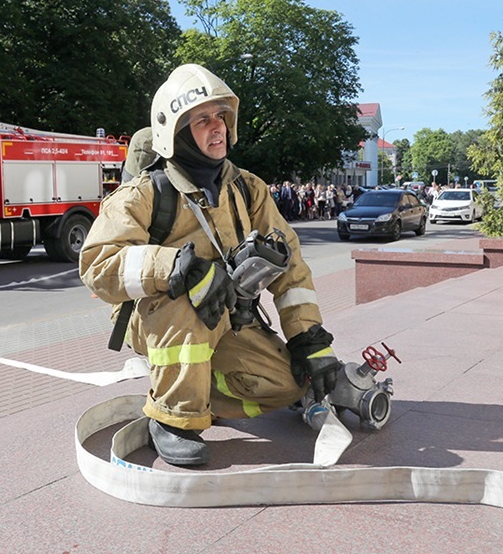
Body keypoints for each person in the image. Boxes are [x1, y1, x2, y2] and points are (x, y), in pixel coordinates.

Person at [79, 64, 339, 466]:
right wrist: (176, 268)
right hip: (160, 317)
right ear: (175, 131)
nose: (217, 127)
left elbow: (292, 266)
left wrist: (311, 341)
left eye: (221, 117)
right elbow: (98, 263)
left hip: (227, 314)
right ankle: (172, 419)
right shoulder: (147, 191)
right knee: (188, 304)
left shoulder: (246, 188)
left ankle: (199, 392)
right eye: (202, 119)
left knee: (286, 384)